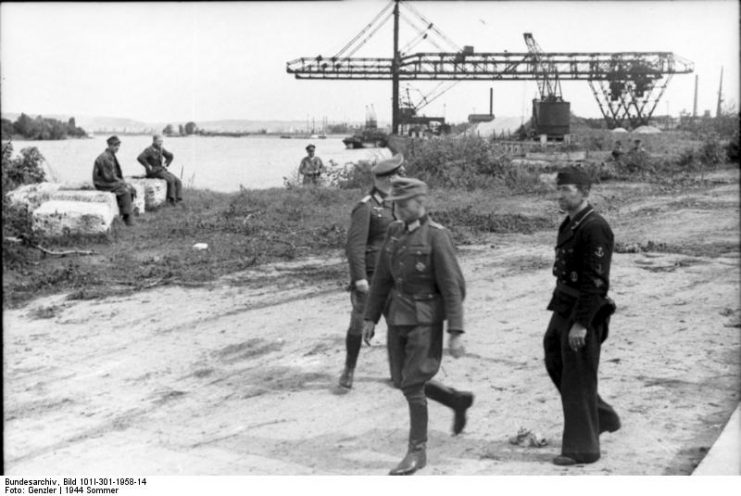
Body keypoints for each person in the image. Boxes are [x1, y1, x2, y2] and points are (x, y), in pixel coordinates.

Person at [362, 177, 474, 476]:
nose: (397, 209)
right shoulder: (395, 231)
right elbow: (383, 279)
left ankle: (417, 451)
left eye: (403, 204)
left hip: (425, 319)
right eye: (394, 203)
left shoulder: (437, 236)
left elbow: (453, 288)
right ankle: (455, 400)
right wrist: (370, 317)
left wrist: (456, 332)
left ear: (421, 203)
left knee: (412, 383)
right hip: (397, 315)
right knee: (400, 379)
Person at [543, 167, 620, 466]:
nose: (560, 195)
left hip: (584, 310)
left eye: (567, 189)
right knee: (553, 355)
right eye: (559, 189)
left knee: (577, 376)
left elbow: (596, 282)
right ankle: (599, 416)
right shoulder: (571, 223)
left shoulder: (594, 227)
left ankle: (582, 449)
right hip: (564, 304)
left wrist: (581, 323)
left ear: (584, 191)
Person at [339, 154, 404, 390]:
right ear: (386, 179)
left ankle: (398, 374)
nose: (401, 178)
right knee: (358, 325)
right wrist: (359, 279)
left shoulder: (396, 203)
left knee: (397, 325)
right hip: (371, 279)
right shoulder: (365, 207)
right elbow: (354, 247)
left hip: (393, 278)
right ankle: (349, 369)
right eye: (398, 174)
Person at [93, 136, 137, 226]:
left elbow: (114, 175)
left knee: (130, 188)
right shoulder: (105, 157)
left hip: (108, 181)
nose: (117, 148)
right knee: (125, 191)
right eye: (115, 145)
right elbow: (109, 177)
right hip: (102, 183)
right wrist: (122, 182)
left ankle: (127, 212)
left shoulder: (111, 155)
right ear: (109, 145)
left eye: (118, 146)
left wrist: (122, 182)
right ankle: (127, 217)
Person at [137, 134, 182, 205]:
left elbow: (170, 156)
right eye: (159, 141)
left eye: (161, 141)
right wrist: (148, 166)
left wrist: (166, 164)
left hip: (161, 170)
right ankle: (171, 200)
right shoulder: (149, 150)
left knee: (178, 180)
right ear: (154, 141)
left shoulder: (161, 148)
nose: (161, 143)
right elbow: (140, 158)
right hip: (153, 172)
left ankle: (178, 199)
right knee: (171, 180)